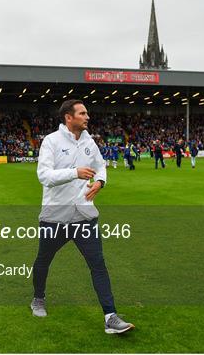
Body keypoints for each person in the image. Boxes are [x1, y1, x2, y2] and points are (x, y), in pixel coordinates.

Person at [31, 99, 134, 334]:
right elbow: (44, 176)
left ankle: (110, 316)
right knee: (43, 261)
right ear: (69, 117)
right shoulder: (51, 141)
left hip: (84, 216)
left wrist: (100, 181)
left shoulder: (89, 142)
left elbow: (101, 166)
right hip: (55, 216)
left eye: (87, 113)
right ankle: (38, 298)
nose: (88, 117)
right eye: (83, 113)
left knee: (98, 265)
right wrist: (74, 173)